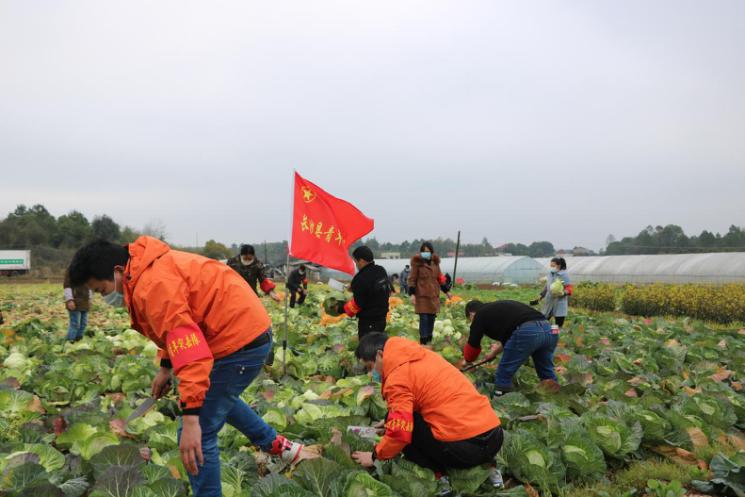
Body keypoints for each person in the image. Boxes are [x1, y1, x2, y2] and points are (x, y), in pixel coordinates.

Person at [68, 237, 317, 497]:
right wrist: (165, 367)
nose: (104, 297)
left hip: (239, 342)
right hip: (236, 332)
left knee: (198, 434)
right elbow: (175, 329)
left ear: (118, 272)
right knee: (220, 397)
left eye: (101, 290)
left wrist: (190, 419)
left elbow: (190, 352)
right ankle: (281, 448)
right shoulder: (146, 269)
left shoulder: (153, 285)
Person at [351, 333, 503, 479]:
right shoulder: (422, 355)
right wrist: (390, 419)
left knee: (406, 434)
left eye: (370, 367)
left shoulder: (397, 378)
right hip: (494, 437)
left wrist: (374, 457)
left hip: (466, 450)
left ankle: (438, 473)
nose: (371, 374)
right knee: (395, 418)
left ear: (380, 355)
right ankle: (483, 464)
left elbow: (399, 433)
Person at [459, 300, 559, 397]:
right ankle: (556, 400)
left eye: (470, 320)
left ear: (471, 314)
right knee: (546, 372)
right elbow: (511, 338)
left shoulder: (479, 315)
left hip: (528, 331)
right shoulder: (496, 310)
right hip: (550, 329)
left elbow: (473, 345)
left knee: (503, 373)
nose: (472, 322)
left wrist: (467, 361)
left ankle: (502, 402)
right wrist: (493, 353)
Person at [340, 246, 391, 338]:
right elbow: (375, 288)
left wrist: (340, 309)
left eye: (356, 262)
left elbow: (357, 304)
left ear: (362, 261)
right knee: (377, 345)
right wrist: (355, 288)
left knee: (367, 348)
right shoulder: (381, 270)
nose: (356, 265)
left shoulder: (360, 278)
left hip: (368, 321)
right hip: (382, 318)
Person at [407, 242, 452, 345]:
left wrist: (447, 291)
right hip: (422, 296)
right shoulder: (417, 263)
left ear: (431, 252)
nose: (426, 253)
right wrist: (412, 294)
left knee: (431, 318)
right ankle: (423, 343)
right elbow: (412, 279)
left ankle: (429, 341)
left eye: (428, 251)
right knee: (424, 318)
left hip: (433, 296)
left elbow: (440, 278)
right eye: (424, 251)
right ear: (421, 252)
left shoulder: (435, 263)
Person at [531, 257, 572, 329]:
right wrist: (540, 297)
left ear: (558, 265)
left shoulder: (564, 275)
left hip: (559, 302)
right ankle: (545, 336)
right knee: (543, 322)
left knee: (557, 325)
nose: (551, 268)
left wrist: (563, 293)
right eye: (551, 266)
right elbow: (547, 287)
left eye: (553, 266)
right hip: (549, 301)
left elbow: (569, 289)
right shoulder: (550, 274)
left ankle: (556, 337)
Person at [63, 268, 92, 342]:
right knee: (75, 324)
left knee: (84, 324)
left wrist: (90, 299)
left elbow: (90, 286)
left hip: (84, 302)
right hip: (74, 301)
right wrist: (69, 300)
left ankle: (78, 340)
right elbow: (67, 286)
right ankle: (69, 342)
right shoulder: (71, 270)